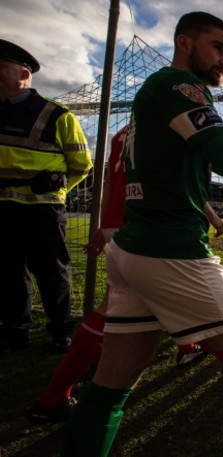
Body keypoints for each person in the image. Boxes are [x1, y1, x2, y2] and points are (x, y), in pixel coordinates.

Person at [62, 12, 223, 456]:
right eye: (218, 47)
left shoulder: (160, 94)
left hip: (134, 246)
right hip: (172, 249)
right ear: (185, 42)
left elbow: (180, 173)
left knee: (112, 381)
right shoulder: (181, 88)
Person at [28, 126, 216, 424]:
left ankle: (188, 347)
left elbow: (110, 181)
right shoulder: (173, 124)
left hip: (120, 221)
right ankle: (55, 398)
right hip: (146, 224)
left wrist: (104, 225)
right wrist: (210, 214)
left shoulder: (121, 135)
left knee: (126, 302)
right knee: (165, 300)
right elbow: (177, 180)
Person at [0, 39, 93, 354]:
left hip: (42, 209)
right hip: (3, 209)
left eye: (0, 68)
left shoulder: (57, 115)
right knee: (9, 272)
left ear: (24, 75)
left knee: (52, 272)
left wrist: (57, 190)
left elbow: (82, 164)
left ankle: (60, 330)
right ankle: (15, 329)